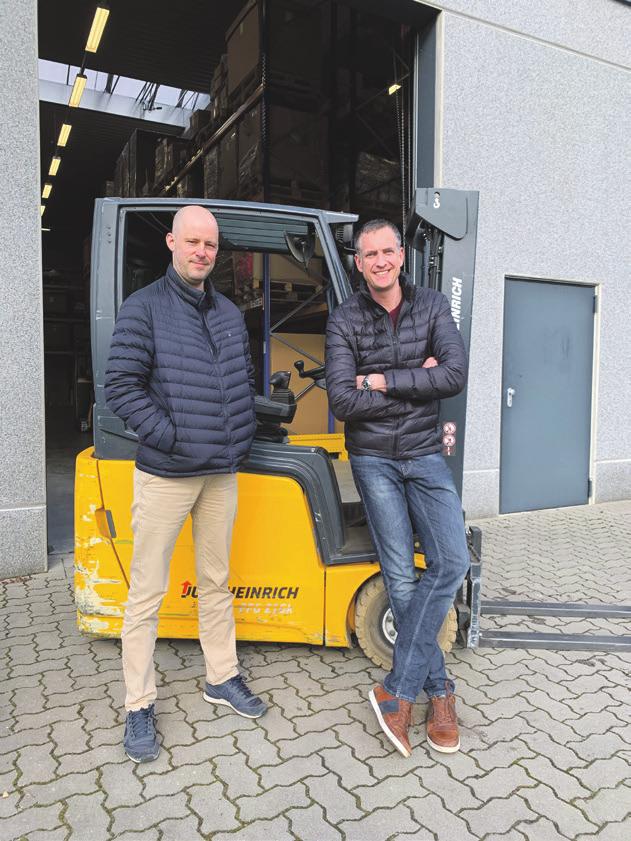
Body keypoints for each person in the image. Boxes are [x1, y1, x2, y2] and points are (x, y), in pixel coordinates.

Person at [105, 205, 266, 764]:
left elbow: (242, 380)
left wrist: (238, 437)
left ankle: (221, 677)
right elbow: (122, 388)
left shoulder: (226, 312)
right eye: (192, 241)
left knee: (216, 581)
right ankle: (138, 702)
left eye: (211, 245)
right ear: (172, 242)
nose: (201, 252)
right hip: (167, 473)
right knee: (146, 593)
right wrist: (172, 437)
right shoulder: (144, 307)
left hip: (220, 473)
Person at [325, 218, 470, 758]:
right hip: (374, 461)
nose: (381, 261)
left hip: (425, 455)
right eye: (370, 254)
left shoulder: (432, 306)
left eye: (388, 251)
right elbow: (342, 400)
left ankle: (396, 690)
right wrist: (417, 378)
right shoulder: (344, 319)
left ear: (402, 255)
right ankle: (441, 692)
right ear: (358, 263)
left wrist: (380, 379)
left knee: (451, 562)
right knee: (402, 580)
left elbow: (453, 375)